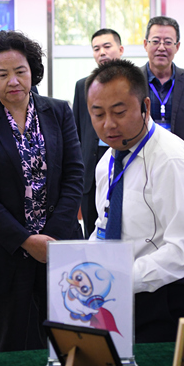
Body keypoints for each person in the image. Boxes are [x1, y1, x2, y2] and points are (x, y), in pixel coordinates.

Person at [0, 30, 83, 353]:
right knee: (8, 344)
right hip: (5, 251)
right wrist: (27, 241)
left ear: (33, 71)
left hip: (59, 246)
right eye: (2, 74)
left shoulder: (59, 112)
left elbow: (74, 176)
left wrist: (51, 239)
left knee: (67, 340)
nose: (13, 81)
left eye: (20, 71)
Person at [86, 59, 184, 342]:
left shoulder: (172, 160)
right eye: (98, 114)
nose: (108, 124)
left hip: (172, 297)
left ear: (145, 106)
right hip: (124, 294)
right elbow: (104, 224)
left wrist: (117, 279)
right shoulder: (109, 160)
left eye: (119, 112)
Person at [73, 28, 125, 237]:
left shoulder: (132, 84)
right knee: (91, 230)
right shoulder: (82, 86)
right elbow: (76, 131)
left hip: (122, 160)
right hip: (91, 169)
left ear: (120, 50)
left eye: (107, 46)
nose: (101, 52)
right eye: (96, 48)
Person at [141, 16, 184, 140]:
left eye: (168, 42)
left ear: (177, 46)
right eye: (155, 41)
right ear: (145, 44)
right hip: (141, 150)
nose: (161, 48)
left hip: (182, 151)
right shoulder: (130, 81)